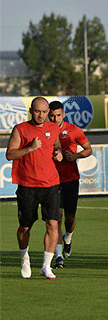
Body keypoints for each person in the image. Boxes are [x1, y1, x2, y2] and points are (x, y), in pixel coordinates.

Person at [6, 97, 63, 279]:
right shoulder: (21, 129)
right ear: (31, 111)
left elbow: (56, 144)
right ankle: (24, 258)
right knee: (25, 227)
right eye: (38, 111)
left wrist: (59, 152)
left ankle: (46, 266)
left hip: (51, 184)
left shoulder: (53, 128)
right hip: (28, 185)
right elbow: (10, 154)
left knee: (53, 223)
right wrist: (30, 148)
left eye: (45, 112)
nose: (42, 115)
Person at [48, 101, 93, 268]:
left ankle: (68, 237)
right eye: (52, 115)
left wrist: (75, 156)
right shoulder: (44, 130)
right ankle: (58, 255)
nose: (55, 118)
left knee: (70, 218)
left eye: (58, 115)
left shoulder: (73, 130)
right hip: (52, 180)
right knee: (56, 218)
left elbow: (89, 149)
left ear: (63, 114)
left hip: (71, 179)